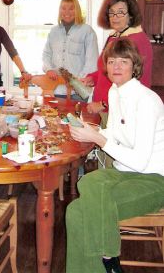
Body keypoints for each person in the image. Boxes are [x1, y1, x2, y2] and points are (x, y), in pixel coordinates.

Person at [66, 38, 164, 273]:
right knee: (87, 181)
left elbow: (140, 161)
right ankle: (107, 262)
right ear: (106, 66)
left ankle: (109, 258)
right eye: (112, 61)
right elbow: (118, 133)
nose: (117, 66)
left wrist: (100, 140)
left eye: (124, 61)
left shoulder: (147, 101)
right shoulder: (113, 91)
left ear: (134, 66)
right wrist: (95, 132)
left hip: (154, 179)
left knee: (76, 212)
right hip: (123, 172)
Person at [84, 0, 152, 114]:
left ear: (131, 15)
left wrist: (104, 104)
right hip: (104, 107)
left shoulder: (137, 40)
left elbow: (134, 83)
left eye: (120, 12)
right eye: (112, 12)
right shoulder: (114, 36)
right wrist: (93, 78)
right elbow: (108, 68)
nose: (115, 17)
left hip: (121, 110)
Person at [42, 0, 98, 99]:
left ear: (77, 10)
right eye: (63, 8)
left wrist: (76, 83)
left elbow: (92, 62)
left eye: (71, 8)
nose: (67, 12)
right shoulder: (54, 32)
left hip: (77, 92)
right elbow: (46, 54)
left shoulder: (87, 31)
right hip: (55, 89)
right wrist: (49, 69)